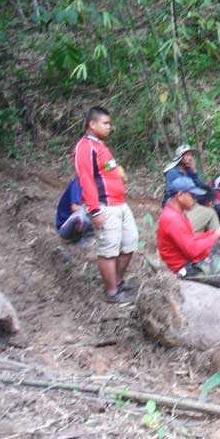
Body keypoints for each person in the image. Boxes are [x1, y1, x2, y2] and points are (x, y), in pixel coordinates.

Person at [74, 106, 139, 303]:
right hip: (104, 205)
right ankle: (112, 293)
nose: (109, 127)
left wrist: (117, 170)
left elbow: (105, 169)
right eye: (105, 123)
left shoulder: (100, 146)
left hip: (119, 203)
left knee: (130, 242)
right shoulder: (85, 147)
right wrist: (94, 210)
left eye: (110, 123)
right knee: (108, 250)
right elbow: (85, 179)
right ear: (92, 124)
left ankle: (118, 282)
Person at [162, 144, 218, 233]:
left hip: (190, 195)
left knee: (211, 192)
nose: (190, 158)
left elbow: (201, 185)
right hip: (176, 199)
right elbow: (170, 191)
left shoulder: (189, 169)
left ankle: (202, 215)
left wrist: (195, 172)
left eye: (191, 155)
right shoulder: (172, 172)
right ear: (181, 157)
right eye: (187, 155)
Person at [55, 178, 92, 242]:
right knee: (81, 215)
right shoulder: (78, 183)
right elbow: (74, 207)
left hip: (77, 222)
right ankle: (82, 241)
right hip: (64, 227)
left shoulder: (93, 185)